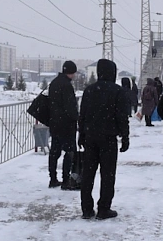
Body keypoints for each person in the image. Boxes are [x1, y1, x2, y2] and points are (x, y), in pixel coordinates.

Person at [78, 59, 130, 220]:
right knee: (108, 174)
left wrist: (81, 134)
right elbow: (122, 116)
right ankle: (103, 208)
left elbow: (83, 114)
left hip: (90, 137)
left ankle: (86, 208)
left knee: (88, 174)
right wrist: (125, 136)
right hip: (108, 138)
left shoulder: (89, 90)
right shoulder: (118, 91)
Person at [48, 60, 79, 189]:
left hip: (55, 123)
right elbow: (70, 107)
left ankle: (53, 179)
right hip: (66, 124)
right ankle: (66, 180)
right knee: (70, 151)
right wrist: (77, 119)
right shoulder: (66, 85)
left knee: (55, 151)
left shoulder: (54, 83)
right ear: (71, 72)